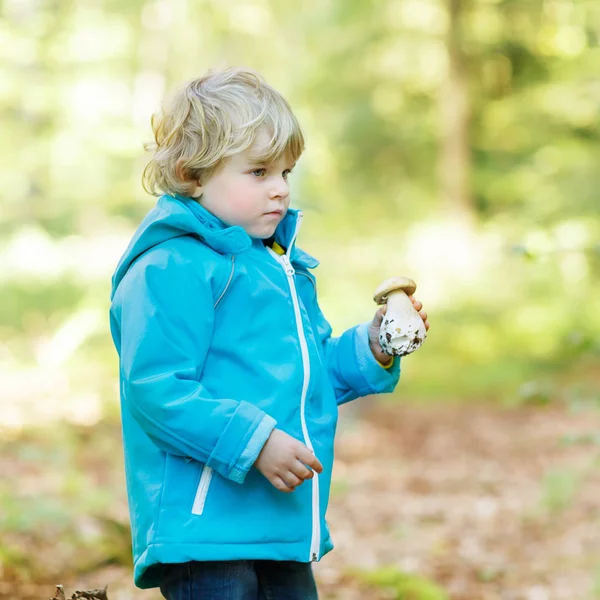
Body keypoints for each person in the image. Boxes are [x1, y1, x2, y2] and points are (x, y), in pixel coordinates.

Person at [109, 67, 429, 600]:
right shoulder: (169, 268)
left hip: (280, 524)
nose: (280, 189)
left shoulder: (278, 265)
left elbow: (307, 371)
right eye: (258, 172)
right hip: (206, 532)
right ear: (193, 173)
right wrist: (254, 442)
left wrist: (372, 347)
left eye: (286, 171)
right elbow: (157, 389)